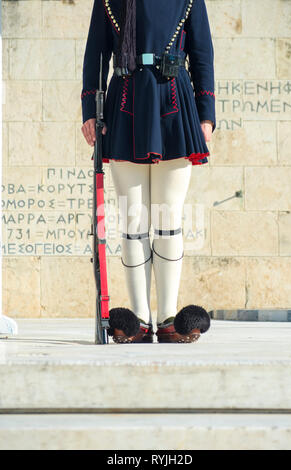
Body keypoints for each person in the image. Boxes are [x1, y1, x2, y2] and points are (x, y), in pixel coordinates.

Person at [81, 0, 215, 343]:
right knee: (133, 220)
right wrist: (89, 109)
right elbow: (96, 53)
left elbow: (202, 54)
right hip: (126, 102)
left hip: (174, 99)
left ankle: (169, 318)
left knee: (168, 218)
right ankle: (139, 318)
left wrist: (206, 114)